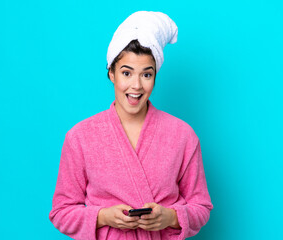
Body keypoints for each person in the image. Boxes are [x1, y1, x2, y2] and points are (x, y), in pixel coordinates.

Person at [49, 11, 213, 240]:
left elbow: (202, 207)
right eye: (127, 73)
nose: (136, 86)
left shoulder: (183, 135)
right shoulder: (80, 137)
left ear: (155, 77)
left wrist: (171, 217)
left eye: (146, 74)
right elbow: (61, 212)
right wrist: (103, 217)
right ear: (111, 74)